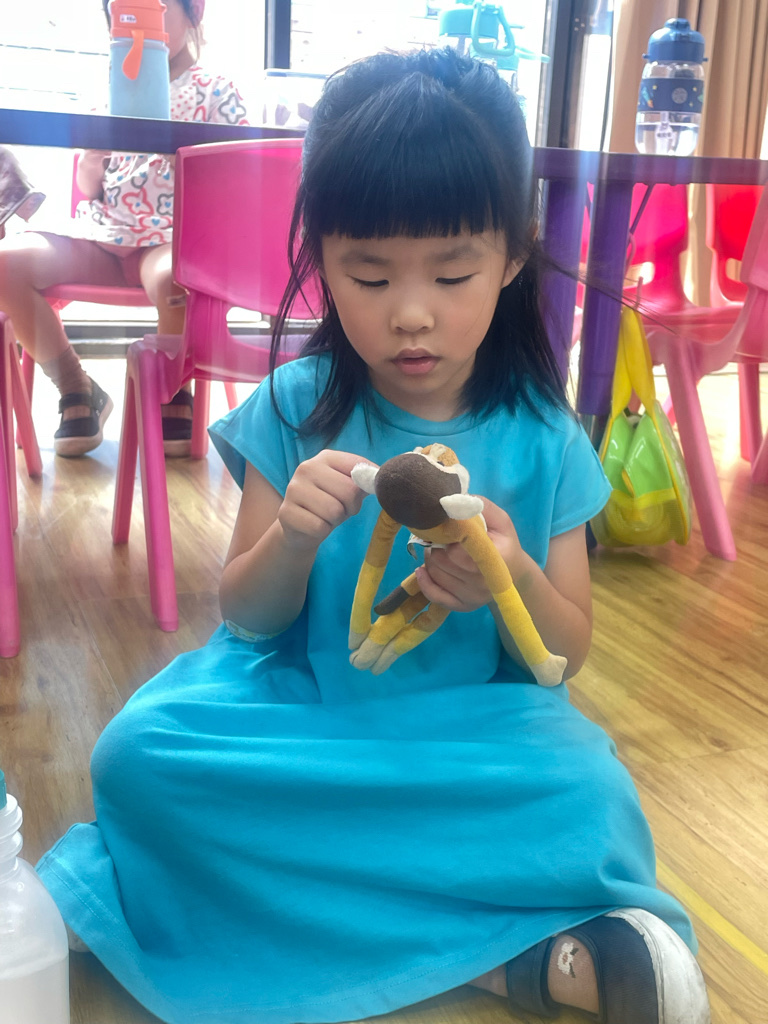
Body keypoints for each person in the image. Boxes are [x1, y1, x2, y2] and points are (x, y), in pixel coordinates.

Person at [36, 48, 710, 1024]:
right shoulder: (294, 406)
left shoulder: (544, 434)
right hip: (303, 709)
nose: (410, 313)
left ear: (513, 258)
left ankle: (214, 909)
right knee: (136, 758)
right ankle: (504, 953)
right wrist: (292, 538)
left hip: (473, 730)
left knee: (588, 795)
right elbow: (248, 619)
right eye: (369, 273)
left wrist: (514, 574)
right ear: (320, 259)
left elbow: (562, 658)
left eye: (452, 272)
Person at [0, 0, 248, 457]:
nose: (139, 24)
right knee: (5, 264)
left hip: (170, 238)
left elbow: (237, 176)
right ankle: (75, 385)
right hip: (104, 234)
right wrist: (90, 166)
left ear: (192, 14)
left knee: (177, 281)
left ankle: (174, 389)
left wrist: (191, 159)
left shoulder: (216, 90)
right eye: (123, 12)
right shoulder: (112, 88)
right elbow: (89, 188)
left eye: (155, 8)